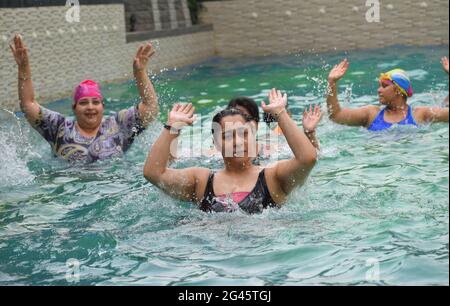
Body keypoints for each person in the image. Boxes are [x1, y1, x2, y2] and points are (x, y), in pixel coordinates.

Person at [143, 89, 318, 214]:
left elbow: (308, 158)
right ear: (216, 143)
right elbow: (153, 173)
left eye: (244, 133)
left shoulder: (272, 177)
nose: (238, 142)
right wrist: (171, 127)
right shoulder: (201, 180)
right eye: (227, 136)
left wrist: (280, 113)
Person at [9, 34, 159, 162]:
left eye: (95, 102)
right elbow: (28, 105)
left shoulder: (118, 126)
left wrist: (140, 73)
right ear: (74, 108)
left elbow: (150, 108)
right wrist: (23, 68)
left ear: (102, 106)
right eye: (83, 102)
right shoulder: (60, 128)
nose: (90, 107)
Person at [326, 59, 448, 131]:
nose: (379, 90)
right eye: (379, 85)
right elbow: (336, 116)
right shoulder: (371, 114)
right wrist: (332, 83)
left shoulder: (421, 114)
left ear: (398, 90)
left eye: (384, 86)